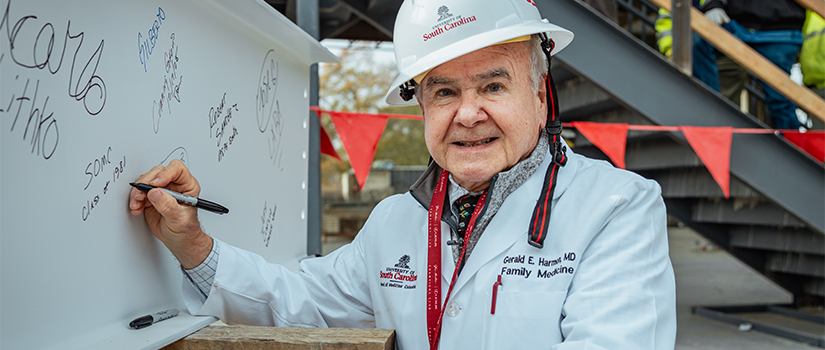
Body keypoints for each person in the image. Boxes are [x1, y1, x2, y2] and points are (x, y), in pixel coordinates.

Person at [128, 0, 677, 348]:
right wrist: (194, 245)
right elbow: (300, 302)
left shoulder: (616, 207)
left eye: (492, 85)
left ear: (538, 96)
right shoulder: (395, 222)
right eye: (444, 91)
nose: (467, 113)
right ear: (422, 110)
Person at [697, 0, 806, 129]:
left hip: (781, 28)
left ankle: (793, 146)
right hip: (736, 25)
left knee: (780, 102)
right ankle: (715, 131)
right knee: (724, 92)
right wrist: (713, 4)